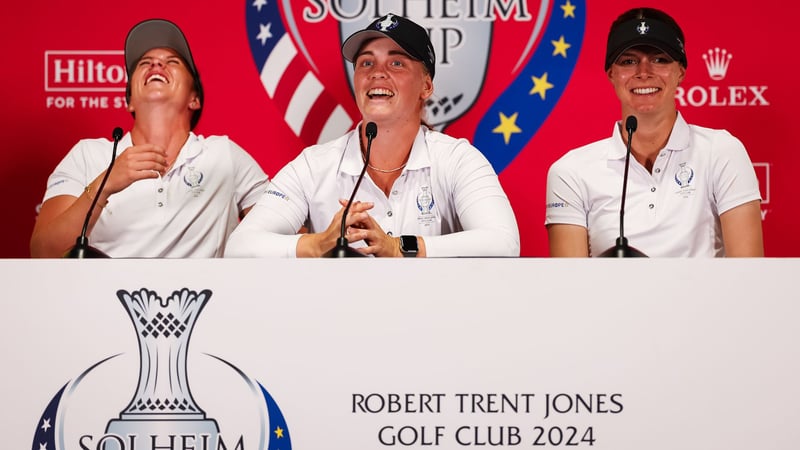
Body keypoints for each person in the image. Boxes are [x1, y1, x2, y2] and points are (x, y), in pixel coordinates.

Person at [225, 13, 519, 257]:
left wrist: (400, 247)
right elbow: (240, 246)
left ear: (426, 87)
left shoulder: (457, 158)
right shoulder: (314, 164)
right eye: (366, 62)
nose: (377, 72)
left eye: (397, 62)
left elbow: (504, 242)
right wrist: (319, 243)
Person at [30, 19, 268, 258]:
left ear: (194, 99)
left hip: (203, 295)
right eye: (145, 63)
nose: (156, 64)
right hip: (104, 294)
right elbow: (43, 252)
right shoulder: (87, 154)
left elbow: (285, 240)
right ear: (130, 101)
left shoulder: (223, 154)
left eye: (172, 62)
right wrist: (104, 186)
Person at [545, 7, 763, 257]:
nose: (644, 73)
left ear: (680, 72)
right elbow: (571, 285)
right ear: (611, 74)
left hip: (706, 297)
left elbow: (749, 273)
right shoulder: (571, 171)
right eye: (629, 61)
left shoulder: (721, 151)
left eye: (659, 59)